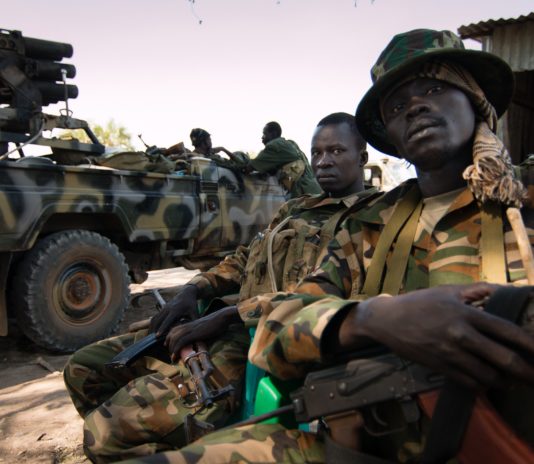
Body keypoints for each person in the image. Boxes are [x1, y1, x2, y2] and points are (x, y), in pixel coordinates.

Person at [125, 29, 534, 464]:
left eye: (435, 89)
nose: (415, 106)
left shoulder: (520, 203)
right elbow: (279, 323)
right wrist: (370, 319)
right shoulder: (371, 224)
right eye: (397, 105)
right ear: (391, 134)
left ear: (475, 99)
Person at [63, 112, 376, 462]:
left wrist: (229, 315)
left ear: (362, 157)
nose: (323, 161)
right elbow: (245, 258)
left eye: (336, 151)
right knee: (82, 368)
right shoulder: (294, 209)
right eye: (316, 152)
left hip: (263, 341)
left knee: (105, 434)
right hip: (219, 324)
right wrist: (193, 289)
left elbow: (325, 300)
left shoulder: (368, 220)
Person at [244, 121, 322, 198]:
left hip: (303, 193)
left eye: (264, 134)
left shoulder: (274, 146)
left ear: (273, 134)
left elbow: (250, 167)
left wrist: (241, 165)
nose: (262, 137)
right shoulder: (291, 143)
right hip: (316, 188)